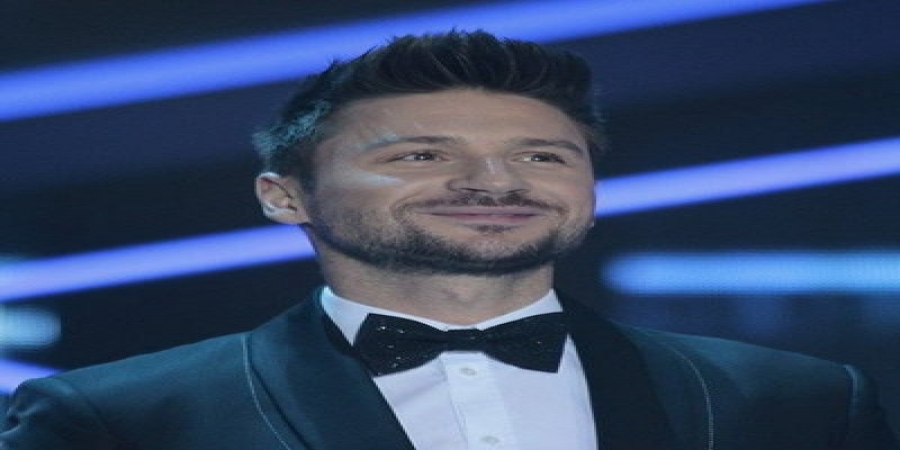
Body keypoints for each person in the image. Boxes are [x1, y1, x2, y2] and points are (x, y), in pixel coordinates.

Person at [1, 30, 897, 450]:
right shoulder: (117, 418)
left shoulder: (797, 400)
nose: (495, 182)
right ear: (284, 196)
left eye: (541, 155)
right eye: (422, 155)